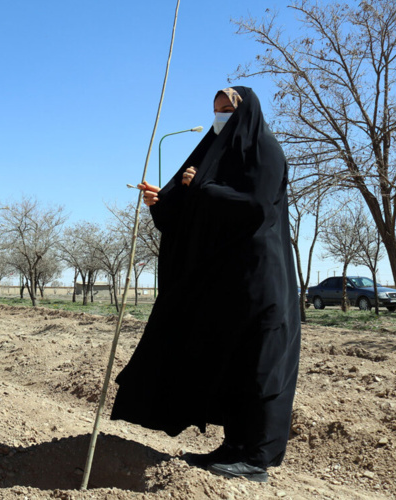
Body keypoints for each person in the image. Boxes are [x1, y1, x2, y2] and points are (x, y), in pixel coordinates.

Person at [110, 86, 301, 483]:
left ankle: (257, 458)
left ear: (246, 112)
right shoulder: (214, 156)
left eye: (228, 110)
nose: (221, 117)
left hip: (262, 277)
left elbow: (255, 205)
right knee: (231, 359)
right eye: (216, 110)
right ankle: (233, 446)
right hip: (230, 282)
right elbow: (191, 213)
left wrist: (203, 189)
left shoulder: (265, 150)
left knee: (259, 363)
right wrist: (161, 202)